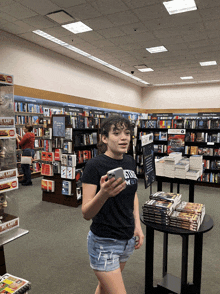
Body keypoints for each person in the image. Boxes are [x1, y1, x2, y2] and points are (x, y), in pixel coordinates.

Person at [82, 115, 144, 294]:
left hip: (126, 239)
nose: (124, 138)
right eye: (116, 133)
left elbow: (133, 195)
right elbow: (86, 213)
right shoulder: (94, 165)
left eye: (127, 133)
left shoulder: (129, 161)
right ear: (104, 138)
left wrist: (137, 226)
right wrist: (103, 194)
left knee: (104, 288)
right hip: (104, 242)